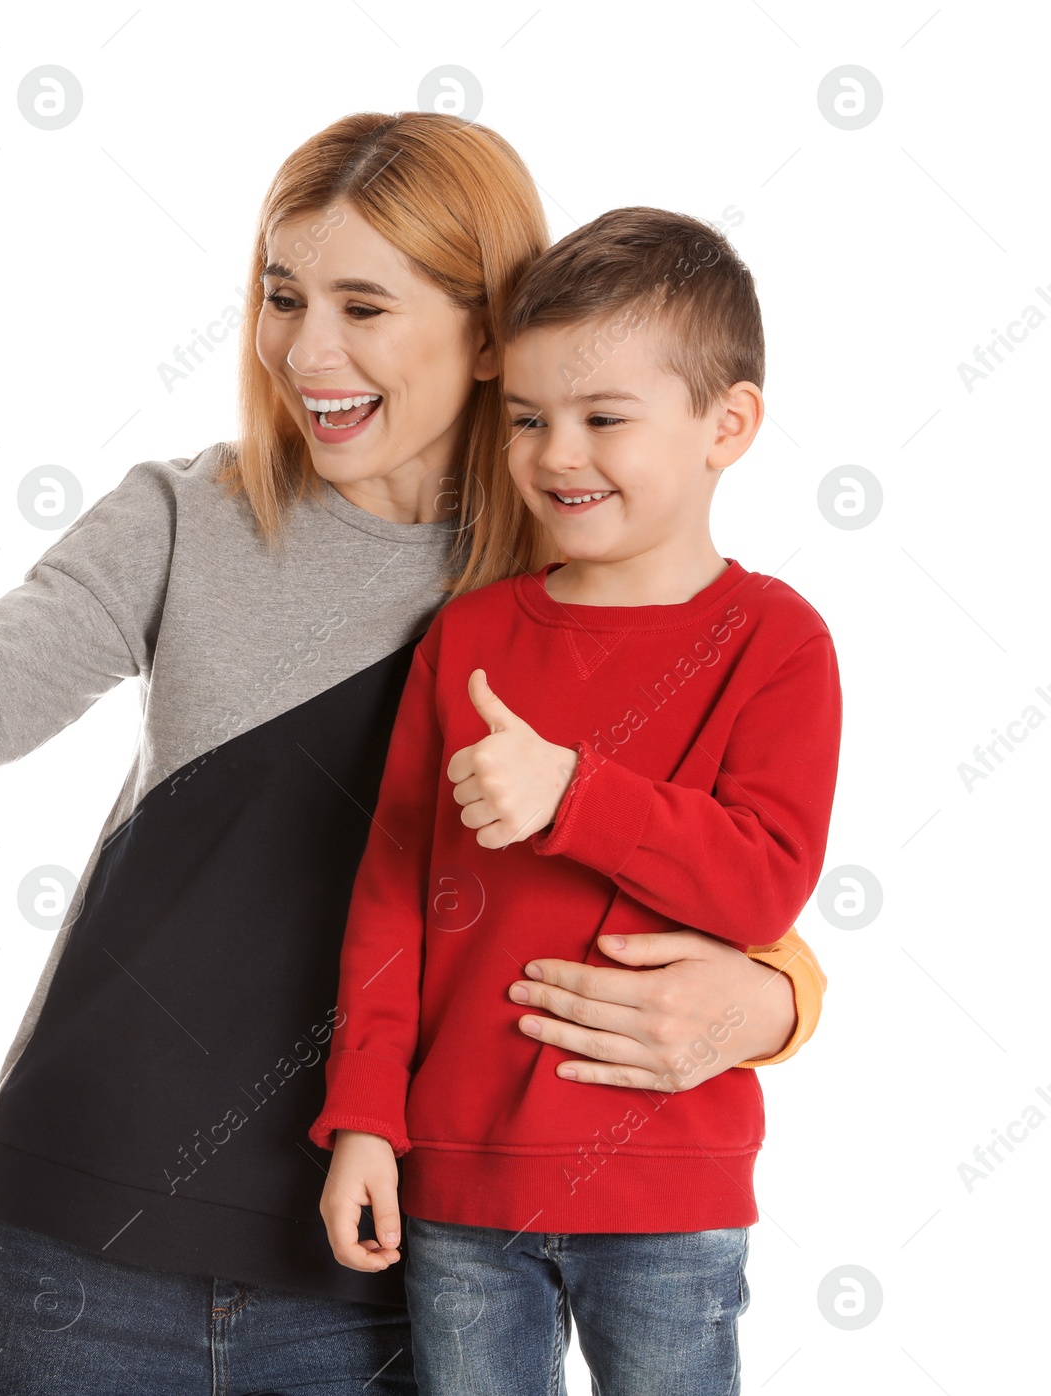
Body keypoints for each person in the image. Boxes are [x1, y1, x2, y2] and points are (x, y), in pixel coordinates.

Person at [0, 118, 827, 1395]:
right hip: (81, 1234)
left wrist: (776, 1000)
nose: (307, 351)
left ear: (488, 330)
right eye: (281, 293)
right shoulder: (186, 517)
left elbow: (729, 854)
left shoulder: (579, 561)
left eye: (364, 304)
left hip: (393, 1265)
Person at [309, 206, 842, 1394]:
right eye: (529, 419)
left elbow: (763, 882)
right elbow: (391, 892)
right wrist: (364, 1115)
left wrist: (572, 793)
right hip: (458, 1184)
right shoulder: (471, 634)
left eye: (603, 419)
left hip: (666, 1191)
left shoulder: (778, 642)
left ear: (727, 424)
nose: (557, 454)